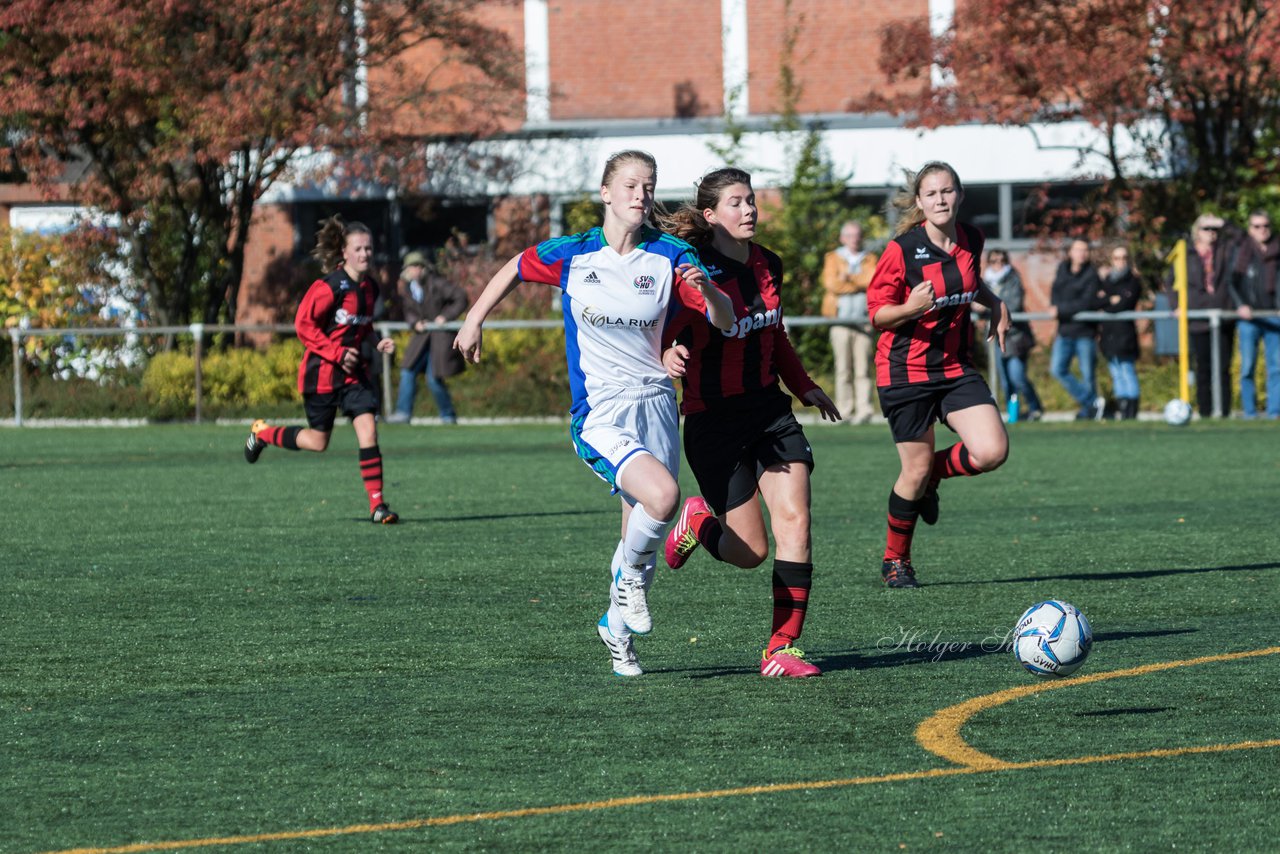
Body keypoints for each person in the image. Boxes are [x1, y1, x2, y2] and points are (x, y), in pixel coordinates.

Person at [453, 150, 734, 677]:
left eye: (648, 186)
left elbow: (723, 319)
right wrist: (474, 320)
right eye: (629, 185)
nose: (640, 195)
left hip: (656, 404)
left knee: (641, 533)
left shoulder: (670, 255)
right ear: (606, 193)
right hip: (601, 411)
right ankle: (625, 585)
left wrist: (709, 292)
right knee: (665, 498)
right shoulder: (574, 253)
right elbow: (515, 265)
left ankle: (616, 630)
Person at [656, 167, 841, 679]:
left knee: (796, 521)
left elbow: (773, 332)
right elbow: (657, 331)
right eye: (736, 203)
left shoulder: (768, 264)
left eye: (752, 200)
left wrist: (803, 385)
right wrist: (667, 353)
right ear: (711, 215)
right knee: (751, 552)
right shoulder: (693, 273)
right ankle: (698, 521)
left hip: (769, 410)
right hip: (712, 422)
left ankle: (782, 646)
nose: (750, 210)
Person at [865, 161, 1010, 589]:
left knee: (992, 451)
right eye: (931, 194)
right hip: (904, 370)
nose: (940, 199)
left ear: (959, 195)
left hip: (953, 367)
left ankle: (934, 474)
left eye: (947, 191)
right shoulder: (901, 250)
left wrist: (995, 302)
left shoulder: (972, 238)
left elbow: (970, 281)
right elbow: (877, 313)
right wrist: (910, 308)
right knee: (912, 470)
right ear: (920, 202)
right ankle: (896, 560)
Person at [244, 216, 400, 524]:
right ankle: (263, 434)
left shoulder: (370, 288)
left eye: (368, 249)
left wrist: (376, 342)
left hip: (355, 377)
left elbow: (361, 326)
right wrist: (337, 353)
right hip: (321, 374)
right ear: (344, 252)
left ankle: (378, 506)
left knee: (369, 431)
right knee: (318, 442)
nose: (365, 254)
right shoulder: (329, 287)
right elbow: (304, 326)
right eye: (358, 249)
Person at [387, 250, 467, 424]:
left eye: (416, 266)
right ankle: (403, 413)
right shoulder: (408, 288)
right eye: (410, 267)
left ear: (423, 268)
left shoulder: (437, 283)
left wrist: (445, 316)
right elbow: (408, 311)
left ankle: (448, 415)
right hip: (422, 338)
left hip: (440, 338)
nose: (412, 270)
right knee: (407, 371)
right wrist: (414, 322)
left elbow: (461, 297)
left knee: (433, 378)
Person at [1168, 213, 1236, 418]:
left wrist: (1221, 222)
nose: (1211, 233)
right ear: (1197, 232)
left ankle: (1223, 412)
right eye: (1206, 229)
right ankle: (1205, 412)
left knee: (1223, 368)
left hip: (1222, 316)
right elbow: (1171, 283)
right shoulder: (1185, 253)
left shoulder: (1225, 249)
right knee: (1203, 367)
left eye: (1214, 230)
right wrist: (1176, 306)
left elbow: (1242, 237)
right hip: (1197, 317)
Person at [821, 220, 879, 423]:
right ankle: (845, 410)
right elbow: (831, 284)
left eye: (857, 235)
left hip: (863, 320)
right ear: (842, 238)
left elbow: (873, 281)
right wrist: (858, 282)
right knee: (843, 368)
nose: (854, 239)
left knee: (863, 368)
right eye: (850, 235)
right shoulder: (833, 257)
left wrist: (848, 279)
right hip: (839, 320)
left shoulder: (871, 258)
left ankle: (865, 411)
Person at [981, 248, 1043, 420]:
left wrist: (988, 305)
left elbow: (1013, 304)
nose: (998, 264)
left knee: (1017, 376)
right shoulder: (984, 281)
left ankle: (1035, 407)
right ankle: (1013, 413)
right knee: (1005, 380)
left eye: (1001, 261)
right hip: (994, 337)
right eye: (993, 261)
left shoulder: (1013, 279)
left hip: (1014, 336)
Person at [1230, 210, 1280, 419]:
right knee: (1247, 367)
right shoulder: (1242, 251)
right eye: (1257, 226)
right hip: (1248, 320)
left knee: (1276, 367)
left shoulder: (1278, 251)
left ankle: (1274, 412)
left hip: (1273, 317)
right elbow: (1231, 282)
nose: (1262, 230)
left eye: (1265, 226)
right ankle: (1249, 413)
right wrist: (1241, 305)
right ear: (1250, 230)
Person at [1050, 238, 1105, 420]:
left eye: (1085, 250)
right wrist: (1057, 307)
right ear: (1070, 252)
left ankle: (1089, 411)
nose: (1082, 253)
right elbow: (1055, 294)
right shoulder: (1062, 270)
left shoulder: (1091, 274)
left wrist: (1061, 310)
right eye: (1078, 249)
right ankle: (1091, 402)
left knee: (1088, 374)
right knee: (1058, 369)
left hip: (1085, 333)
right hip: (1065, 330)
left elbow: (1087, 302)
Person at [1098, 245, 1142, 420]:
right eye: (1117, 258)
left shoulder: (1133, 280)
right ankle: (1122, 408)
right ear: (1111, 260)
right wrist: (1110, 299)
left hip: (1125, 334)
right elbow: (1096, 301)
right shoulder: (1107, 279)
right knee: (1116, 373)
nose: (1120, 261)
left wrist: (1108, 301)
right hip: (1108, 333)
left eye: (1124, 258)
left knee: (1126, 370)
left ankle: (1131, 410)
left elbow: (1125, 303)